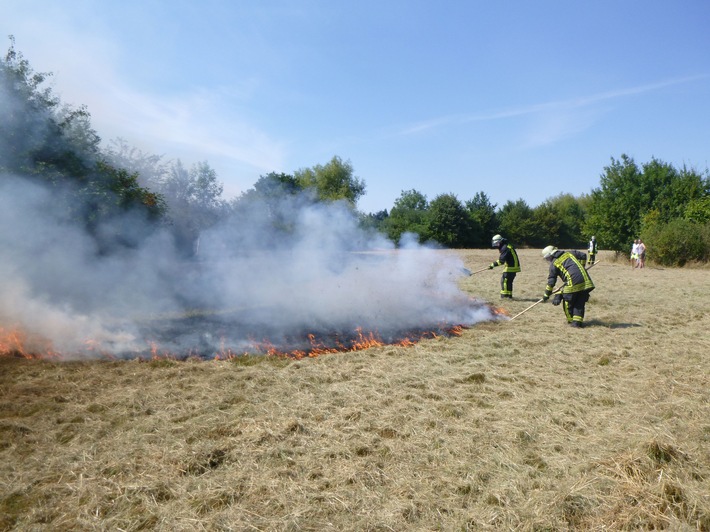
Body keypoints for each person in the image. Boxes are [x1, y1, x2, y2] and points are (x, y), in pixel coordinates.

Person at [541, 245, 595, 327]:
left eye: (548, 258)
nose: (548, 260)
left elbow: (551, 281)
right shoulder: (570, 253)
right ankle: (577, 323)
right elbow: (583, 255)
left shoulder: (554, 264)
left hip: (573, 284)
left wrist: (546, 294)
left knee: (568, 301)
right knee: (579, 303)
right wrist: (582, 266)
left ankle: (571, 321)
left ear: (551, 255)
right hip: (587, 282)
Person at [489, 234, 521, 298]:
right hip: (513, 267)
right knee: (509, 282)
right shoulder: (506, 246)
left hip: (511, 267)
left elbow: (501, 261)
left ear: (500, 241)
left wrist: (492, 265)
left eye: (497, 243)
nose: (496, 245)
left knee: (504, 281)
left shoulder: (505, 248)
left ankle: (504, 296)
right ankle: (509, 296)